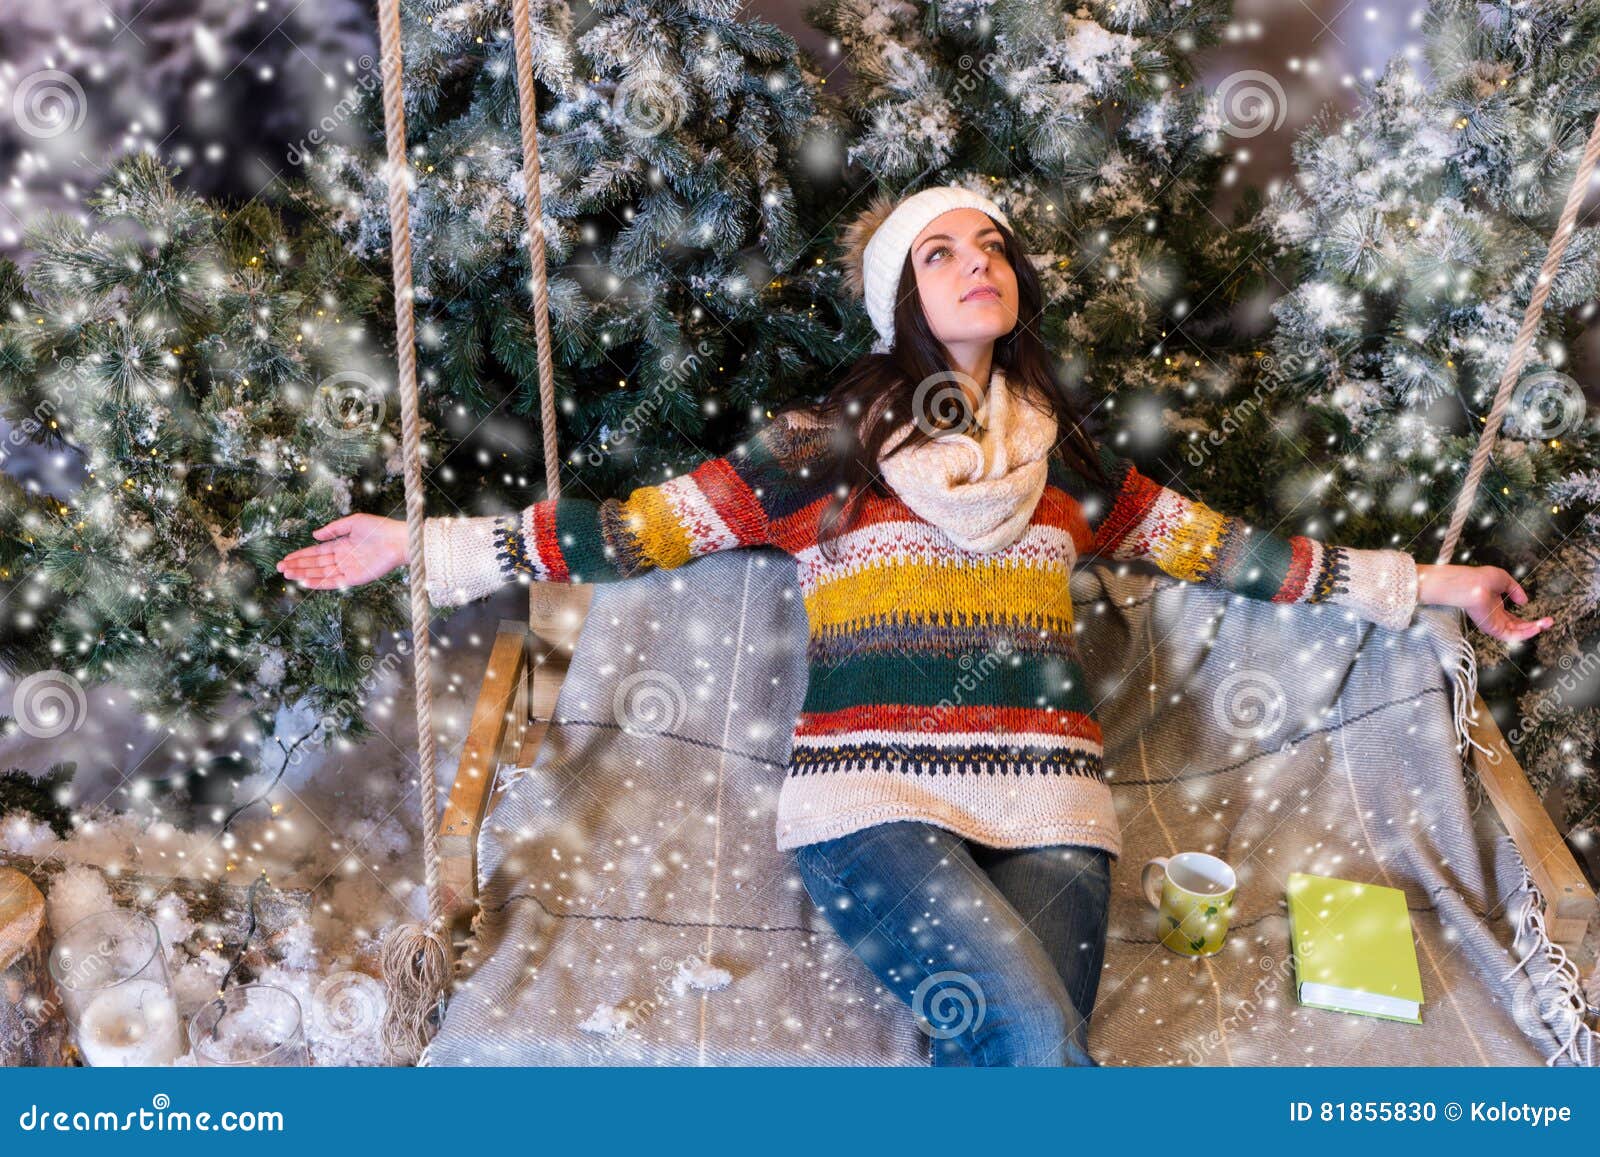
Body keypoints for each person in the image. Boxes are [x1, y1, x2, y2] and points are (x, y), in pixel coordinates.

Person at [277, 185, 1552, 1066]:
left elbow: (1234, 555)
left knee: (996, 1057)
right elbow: (637, 529)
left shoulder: (1068, 468)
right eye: (940, 250)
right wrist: (427, 545)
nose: (975, 263)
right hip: (870, 800)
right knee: (1037, 1044)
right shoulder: (819, 450)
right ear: (902, 294)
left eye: (989, 245)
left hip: (1054, 803)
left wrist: (1432, 586)